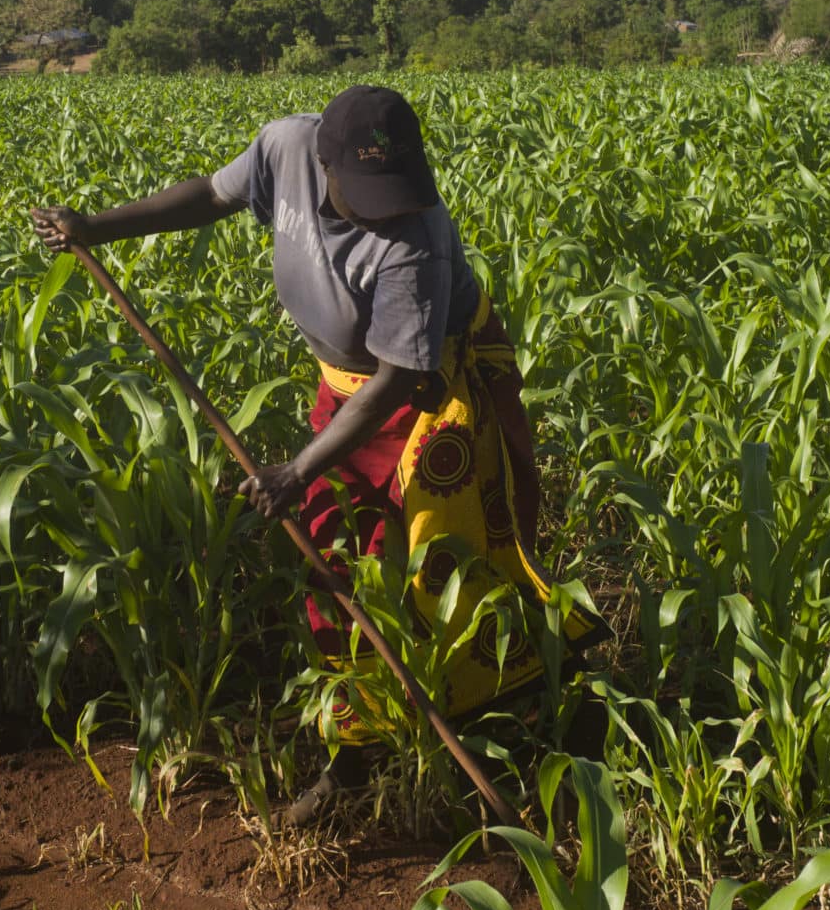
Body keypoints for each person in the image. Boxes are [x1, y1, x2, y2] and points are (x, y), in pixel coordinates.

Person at [30, 85, 597, 825]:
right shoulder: (286, 146)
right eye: (366, 192)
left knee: (449, 563)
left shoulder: (415, 240)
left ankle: (546, 714)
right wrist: (96, 228)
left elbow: (397, 379)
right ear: (323, 162)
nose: (382, 208)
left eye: (394, 191)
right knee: (332, 563)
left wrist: (297, 469)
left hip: (429, 393)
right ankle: (353, 758)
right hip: (344, 390)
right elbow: (209, 192)